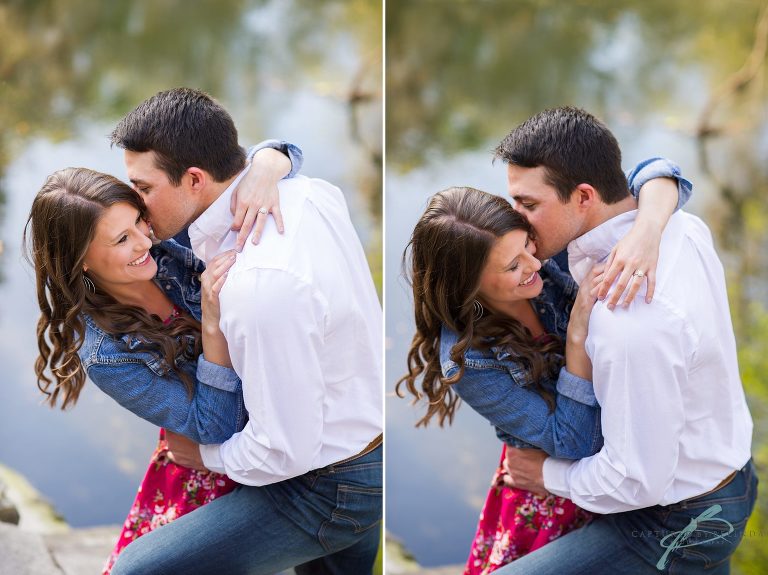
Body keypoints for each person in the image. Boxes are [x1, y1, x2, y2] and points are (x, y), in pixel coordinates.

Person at [107, 88, 382, 575]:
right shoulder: (311, 193)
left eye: (143, 189)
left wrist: (205, 455)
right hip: (365, 443)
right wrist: (272, 160)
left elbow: (284, 450)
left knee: (139, 570)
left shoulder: (259, 288)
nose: (138, 207)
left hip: (326, 484)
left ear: (194, 179)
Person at [494, 107, 755, 574]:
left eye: (528, 205)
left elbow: (636, 480)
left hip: (677, 520)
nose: (516, 221)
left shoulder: (626, 317)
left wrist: (544, 475)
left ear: (584, 197)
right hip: (728, 475)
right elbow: (658, 176)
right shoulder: (682, 226)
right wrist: (652, 220)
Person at [397, 157, 688, 573]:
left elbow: (661, 172)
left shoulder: (539, 255)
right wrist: (577, 336)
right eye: (513, 266)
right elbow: (575, 443)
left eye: (527, 246)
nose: (536, 265)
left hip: (623, 469)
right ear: (469, 286)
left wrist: (647, 230)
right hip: (553, 489)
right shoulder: (469, 362)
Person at [25, 141, 302, 573]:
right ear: (80, 261)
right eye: (122, 239)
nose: (145, 240)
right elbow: (212, 428)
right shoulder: (106, 356)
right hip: (211, 472)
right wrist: (212, 323)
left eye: (138, 220)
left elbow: (267, 157)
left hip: (283, 433)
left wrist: (268, 163)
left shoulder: (170, 240)